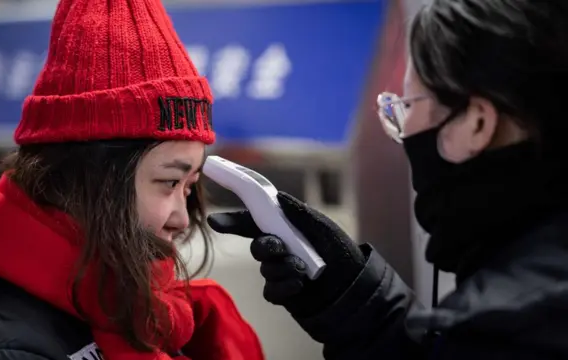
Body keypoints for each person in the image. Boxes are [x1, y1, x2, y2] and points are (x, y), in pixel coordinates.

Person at [208, 0, 568, 358]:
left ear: (477, 123)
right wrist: (352, 296)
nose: (403, 133)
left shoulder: (507, 329)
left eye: (408, 106)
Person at [0, 0, 265, 359]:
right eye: (169, 183)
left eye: (188, 186)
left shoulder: (140, 307)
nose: (183, 218)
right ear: (90, 177)